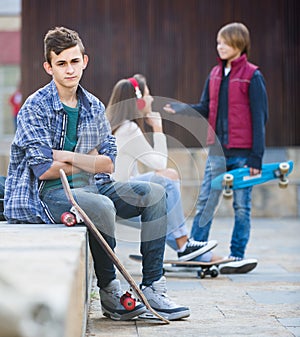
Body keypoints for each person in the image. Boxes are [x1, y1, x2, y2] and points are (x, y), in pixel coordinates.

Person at [4, 26, 190, 321]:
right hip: (48, 196)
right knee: (101, 206)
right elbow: (44, 170)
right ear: (48, 67)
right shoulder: (34, 108)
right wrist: (88, 159)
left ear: (84, 61)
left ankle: (153, 286)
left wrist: (65, 155)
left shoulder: (94, 107)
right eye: (61, 63)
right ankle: (110, 291)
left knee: (157, 190)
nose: (69, 70)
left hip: (95, 186)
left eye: (74, 61)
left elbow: (108, 164)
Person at [164, 22, 268, 273]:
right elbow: (205, 107)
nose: (219, 46)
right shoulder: (215, 74)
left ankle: (236, 255)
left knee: (242, 206)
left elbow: (260, 118)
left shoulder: (252, 76)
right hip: (217, 151)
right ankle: (196, 253)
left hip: (244, 154)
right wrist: (181, 108)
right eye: (218, 42)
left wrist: (257, 158)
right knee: (206, 202)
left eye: (224, 42)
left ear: (238, 44)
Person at [106, 74, 218, 262]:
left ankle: (201, 255)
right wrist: (158, 127)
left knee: (165, 211)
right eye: (148, 94)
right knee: (168, 176)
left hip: (115, 193)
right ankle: (184, 244)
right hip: (120, 196)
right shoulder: (128, 129)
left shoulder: (117, 126)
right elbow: (160, 163)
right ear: (139, 101)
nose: (151, 99)